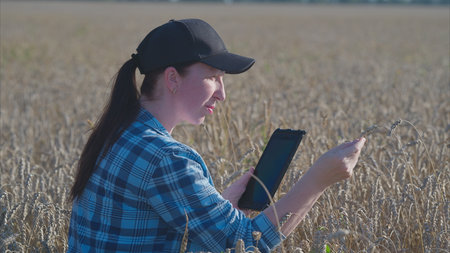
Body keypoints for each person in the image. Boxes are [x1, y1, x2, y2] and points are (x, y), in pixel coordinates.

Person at [67, 18, 366, 253]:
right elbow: (247, 244)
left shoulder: (115, 134)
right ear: (172, 78)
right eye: (212, 77)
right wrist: (318, 181)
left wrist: (219, 206)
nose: (222, 94)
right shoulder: (167, 159)